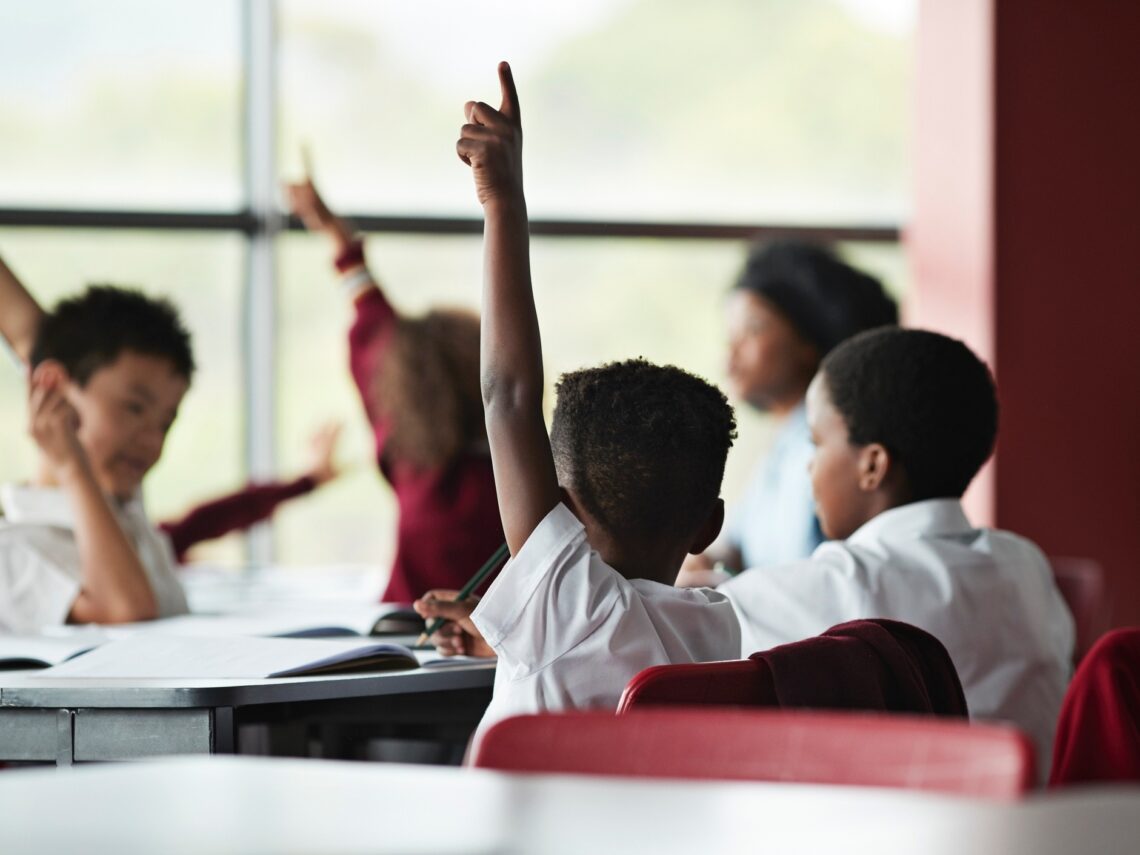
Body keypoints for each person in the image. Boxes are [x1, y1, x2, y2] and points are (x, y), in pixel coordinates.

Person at [415, 62, 742, 743]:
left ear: (561, 511)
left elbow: (507, 394)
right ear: (707, 527)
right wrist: (513, 631)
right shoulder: (715, 628)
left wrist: (503, 203)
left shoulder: (569, 609)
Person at [713, 327, 1073, 776]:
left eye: (817, 443)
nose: (809, 466)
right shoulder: (1025, 564)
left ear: (872, 465)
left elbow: (675, 625)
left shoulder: (842, 583)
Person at [284, 176, 506, 604]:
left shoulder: (411, 460)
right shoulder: (527, 479)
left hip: (408, 631)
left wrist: (336, 236)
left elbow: (374, 325)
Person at [686, 241, 897, 577]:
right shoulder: (782, 443)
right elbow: (737, 544)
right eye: (730, 333)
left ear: (807, 342)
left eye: (753, 329)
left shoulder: (830, 448)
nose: (731, 352)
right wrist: (712, 562)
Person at [0, 279, 194, 632]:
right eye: (134, 408)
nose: (152, 442)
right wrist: (71, 465)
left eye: (166, 423)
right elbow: (125, 609)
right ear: (57, 392)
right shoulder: (13, 549)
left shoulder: (123, 505)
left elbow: (34, 334)